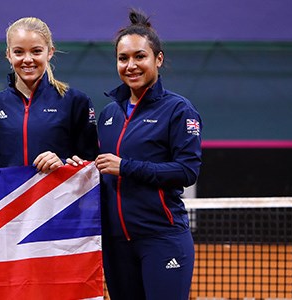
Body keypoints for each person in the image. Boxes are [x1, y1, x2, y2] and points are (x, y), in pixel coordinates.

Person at [88, 9, 202, 300]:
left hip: (161, 239)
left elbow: (187, 171)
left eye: (140, 56)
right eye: (123, 58)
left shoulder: (178, 110)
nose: (131, 65)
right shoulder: (109, 114)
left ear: (158, 59)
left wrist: (126, 167)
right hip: (116, 244)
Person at [0, 17, 98, 175]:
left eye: (36, 51)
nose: (27, 59)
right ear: (8, 55)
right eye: (19, 52)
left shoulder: (75, 102)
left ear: (50, 52)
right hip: (8, 199)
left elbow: (92, 167)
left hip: (57, 198)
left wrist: (61, 162)